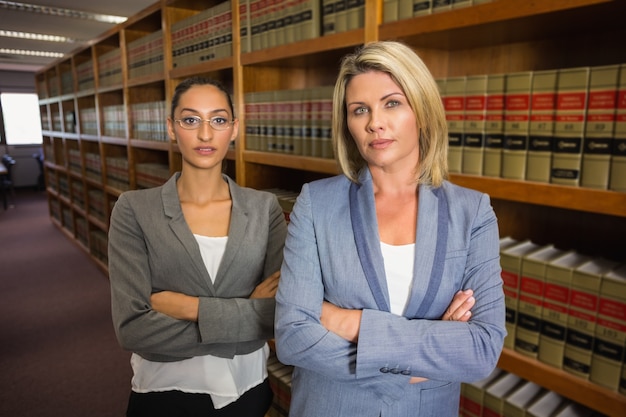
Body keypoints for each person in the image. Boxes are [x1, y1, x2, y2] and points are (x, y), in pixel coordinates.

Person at [274, 41, 506, 417]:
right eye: (359, 110)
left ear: (422, 110)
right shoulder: (315, 204)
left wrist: (348, 321)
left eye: (392, 103)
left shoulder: (472, 211)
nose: (374, 122)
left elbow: (481, 349)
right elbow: (293, 338)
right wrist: (425, 354)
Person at [108, 76, 287, 417]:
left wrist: (190, 308)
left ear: (234, 128)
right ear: (172, 128)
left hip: (247, 389)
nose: (205, 134)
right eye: (191, 120)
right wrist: (244, 314)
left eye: (218, 120)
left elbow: (279, 315)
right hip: (164, 392)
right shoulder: (133, 209)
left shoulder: (265, 208)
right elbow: (132, 328)